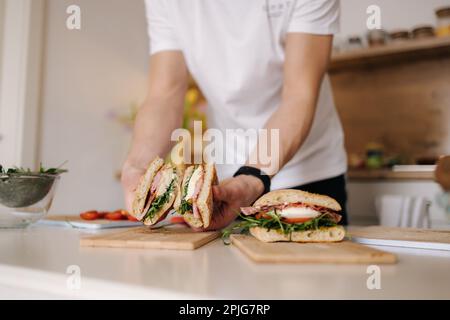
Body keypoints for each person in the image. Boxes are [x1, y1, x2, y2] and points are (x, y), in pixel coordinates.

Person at [121, 0, 348, 230]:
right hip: (229, 182)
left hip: (308, 171)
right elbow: (164, 95)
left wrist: (252, 176)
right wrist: (137, 166)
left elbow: (299, 95)